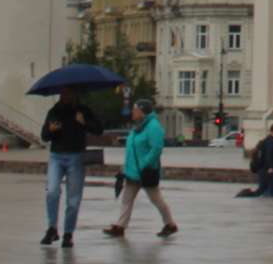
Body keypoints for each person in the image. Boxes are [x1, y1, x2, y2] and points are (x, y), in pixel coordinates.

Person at [102, 98, 176, 238]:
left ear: (142, 111)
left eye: (135, 110)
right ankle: (120, 226)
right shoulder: (138, 127)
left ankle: (170, 224)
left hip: (145, 172)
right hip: (132, 172)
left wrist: (144, 164)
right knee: (127, 199)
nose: (132, 112)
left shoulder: (153, 127)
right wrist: (125, 168)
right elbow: (132, 149)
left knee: (156, 199)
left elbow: (156, 149)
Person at [39, 90, 101, 248]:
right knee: (52, 191)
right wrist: (51, 130)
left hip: (76, 156)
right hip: (56, 156)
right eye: (63, 94)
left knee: (73, 199)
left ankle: (68, 233)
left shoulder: (83, 110)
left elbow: (98, 129)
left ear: (75, 95)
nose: (66, 97)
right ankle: (52, 228)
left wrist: (84, 122)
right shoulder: (54, 111)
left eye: (69, 94)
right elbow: (44, 135)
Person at [238, 124, 273, 198]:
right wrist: (271, 167)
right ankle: (245, 194)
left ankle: (247, 194)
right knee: (265, 190)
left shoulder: (266, 140)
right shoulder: (271, 141)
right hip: (267, 170)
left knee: (268, 190)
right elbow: (269, 155)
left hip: (263, 169)